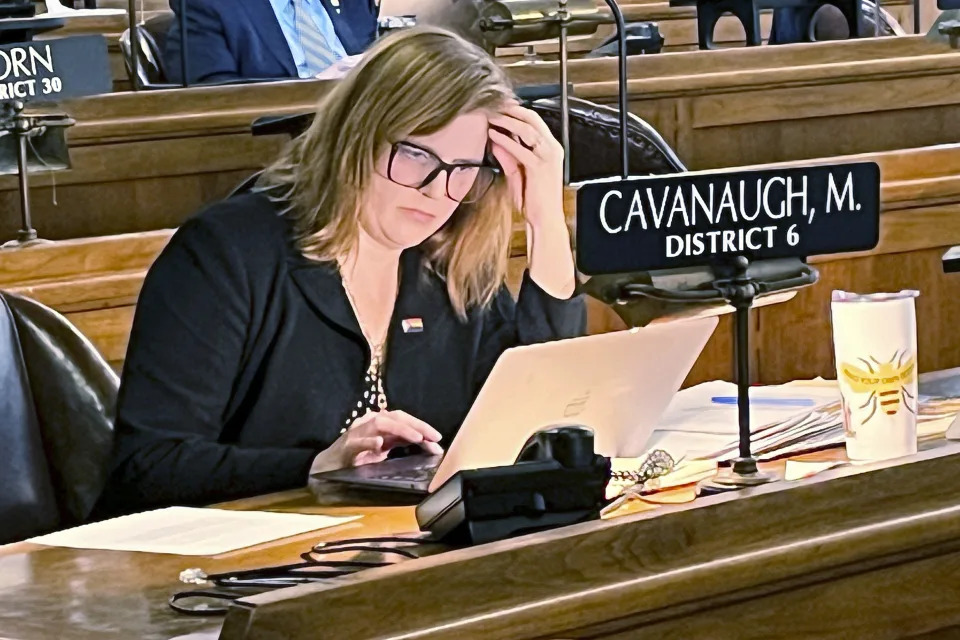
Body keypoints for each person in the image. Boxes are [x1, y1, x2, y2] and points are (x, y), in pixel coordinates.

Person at [94, 26, 586, 516]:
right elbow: (148, 467)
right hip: (220, 570)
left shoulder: (452, 262)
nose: (438, 191)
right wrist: (316, 467)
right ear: (358, 136)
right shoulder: (225, 253)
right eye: (417, 155)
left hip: (391, 553)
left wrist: (545, 218)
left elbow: (541, 420)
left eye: (464, 168)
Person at [164, 0, 379, 84]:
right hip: (282, 147)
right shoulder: (206, 6)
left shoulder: (353, 3)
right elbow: (208, 97)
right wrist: (313, 85)